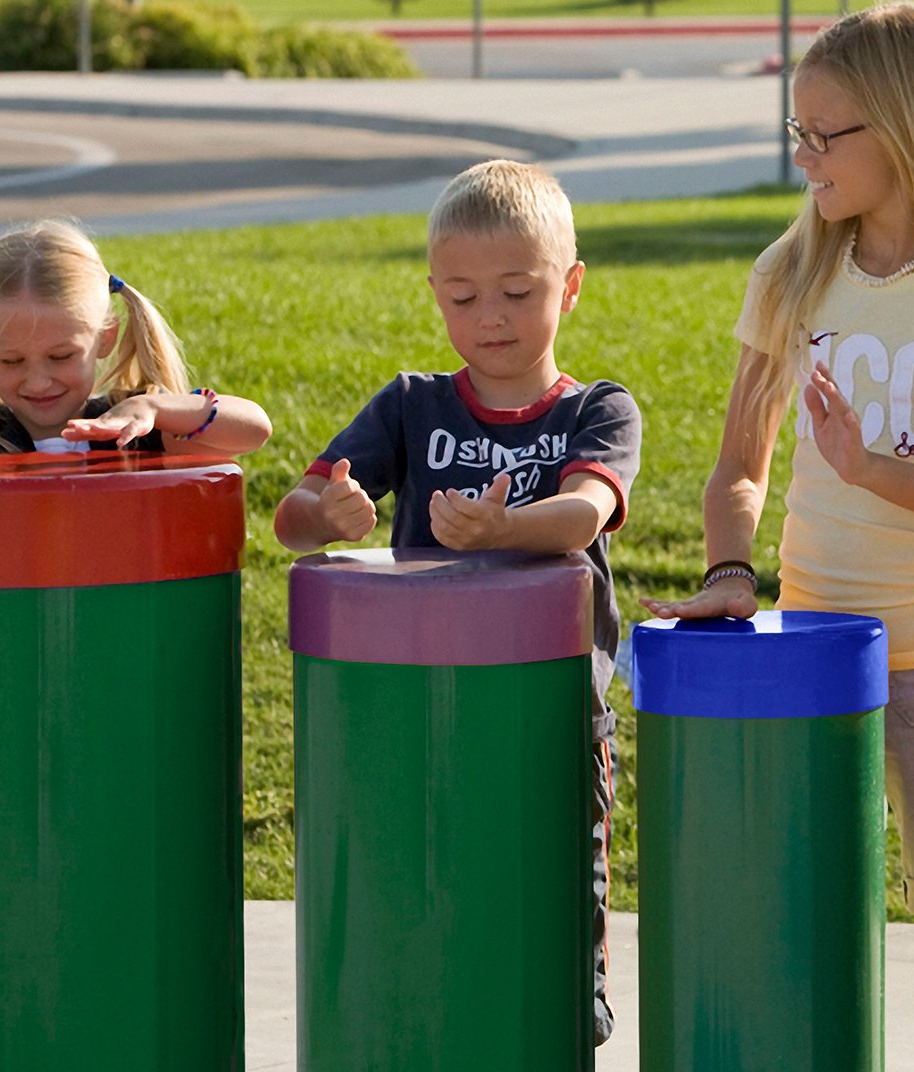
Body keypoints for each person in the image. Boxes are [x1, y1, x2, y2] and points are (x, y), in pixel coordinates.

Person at [641, 1, 914, 933]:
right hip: (808, 657)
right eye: (799, 131)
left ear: (910, 125)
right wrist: (727, 574)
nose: (804, 158)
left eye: (823, 135)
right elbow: (737, 473)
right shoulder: (790, 272)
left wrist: (868, 467)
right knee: (801, 928)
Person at [273, 158, 641, 1045]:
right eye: (462, 297)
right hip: (415, 709)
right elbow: (291, 517)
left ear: (571, 286)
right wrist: (327, 511)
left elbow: (585, 513)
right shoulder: (410, 406)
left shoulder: (597, 410)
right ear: (434, 293)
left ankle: (569, 998)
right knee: (424, 877)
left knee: (555, 865)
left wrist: (498, 530)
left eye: (517, 292)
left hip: (550, 709)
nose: (490, 319)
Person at [0, 219, 271, 484]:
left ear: (104, 338)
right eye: (12, 361)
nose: (38, 381)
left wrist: (156, 405)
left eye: (61, 357)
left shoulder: (133, 429)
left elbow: (254, 429)